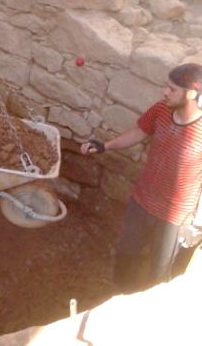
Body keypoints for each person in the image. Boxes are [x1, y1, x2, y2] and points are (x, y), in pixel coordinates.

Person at [81, 63, 202, 293]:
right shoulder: (161, 110)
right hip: (142, 200)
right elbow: (139, 132)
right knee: (127, 253)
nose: (165, 92)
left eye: (171, 89)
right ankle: (120, 292)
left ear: (191, 94)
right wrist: (105, 146)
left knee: (160, 272)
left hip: (174, 216)